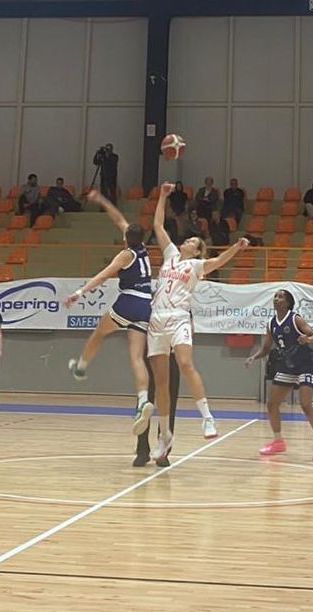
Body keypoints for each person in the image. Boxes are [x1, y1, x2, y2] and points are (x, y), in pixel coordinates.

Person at [147, 181, 250, 462]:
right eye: (188, 239)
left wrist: (236, 247)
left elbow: (219, 262)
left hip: (178, 318)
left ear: (197, 251)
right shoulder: (170, 255)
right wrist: (162, 195)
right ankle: (165, 435)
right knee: (161, 383)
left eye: (194, 242)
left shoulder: (195, 266)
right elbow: (157, 225)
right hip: (156, 320)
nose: (188, 241)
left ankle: (207, 417)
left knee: (185, 363)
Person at [65, 190, 155, 435]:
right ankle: (143, 400)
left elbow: (103, 275)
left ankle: (80, 368)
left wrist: (79, 292)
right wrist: (103, 200)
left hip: (129, 302)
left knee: (98, 333)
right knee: (136, 358)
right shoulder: (143, 248)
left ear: (126, 237)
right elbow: (119, 219)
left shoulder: (125, 255)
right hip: (146, 306)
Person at [245, 289, 313, 462]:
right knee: (272, 404)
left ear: (288, 302)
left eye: (281, 297)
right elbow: (266, 348)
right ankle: (278, 442)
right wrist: (254, 357)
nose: (277, 299)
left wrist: (307, 339)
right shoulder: (271, 323)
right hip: (287, 365)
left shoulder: (295, 319)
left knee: (305, 404)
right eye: (275, 297)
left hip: (306, 363)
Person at [133, 353, 180, 468]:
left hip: (171, 354)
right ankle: (142, 450)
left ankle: (163, 451)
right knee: (145, 403)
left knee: (169, 401)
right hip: (149, 354)